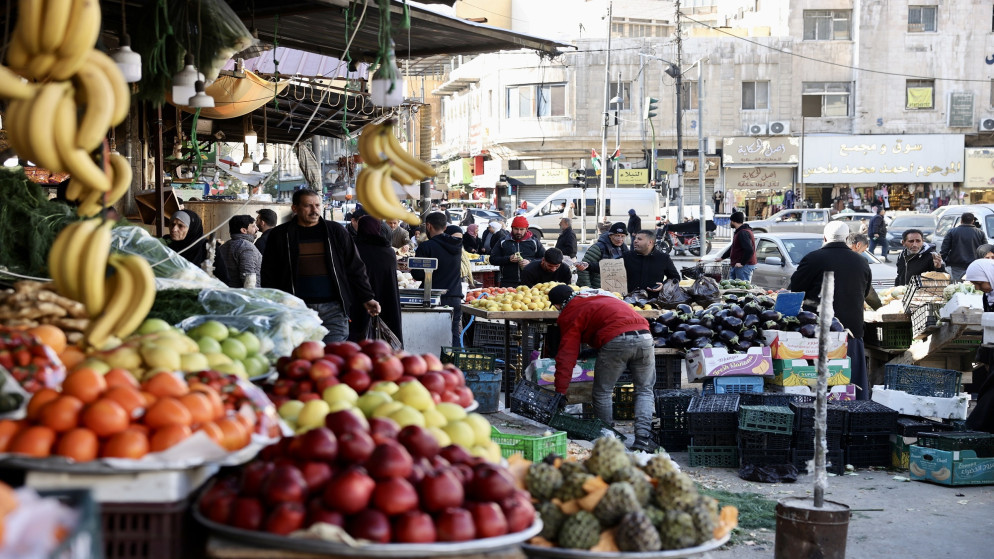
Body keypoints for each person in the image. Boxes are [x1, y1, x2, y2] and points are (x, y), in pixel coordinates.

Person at [261, 189, 381, 343]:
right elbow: (269, 273)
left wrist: (367, 297)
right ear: (295, 208)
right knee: (300, 357)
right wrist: (273, 305)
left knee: (333, 357)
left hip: (334, 310)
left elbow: (355, 267)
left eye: (317, 205)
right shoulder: (280, 235)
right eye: (308, 206)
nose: (314, 210)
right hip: (296, 310)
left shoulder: (336, 232)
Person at [548, 285, 657, 452]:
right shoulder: (600, 297)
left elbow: (566, 356)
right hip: (644, 335)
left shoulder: (569, 312)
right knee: (644, 390)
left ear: (557, 305)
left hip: (616, 340)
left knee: (603, 391)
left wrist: (560, 391)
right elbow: (612, 319)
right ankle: (643, 440)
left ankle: (609, 438)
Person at [788, 221, 872, 400]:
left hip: (816, 332)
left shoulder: (813, 258)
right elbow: (864, 293)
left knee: (817, 384)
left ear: (824, 238)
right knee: (849, 383)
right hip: (851, 331)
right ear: (846, 238)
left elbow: (795, 291)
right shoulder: (861, 261)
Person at [410, 212, 465, 345]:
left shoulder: (426, 246)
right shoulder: (457, 245)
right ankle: (454, 364)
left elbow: (417, 275)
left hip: (432, 298)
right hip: (454, 296)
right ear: (445, 227)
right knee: (453, 336)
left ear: (428, 226)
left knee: (429, 337)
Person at [349, 216, 403, 344]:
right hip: (385, 302)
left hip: (357, 301)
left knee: (356, 342)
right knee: (383, 344)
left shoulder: (352, 249)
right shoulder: (388, 252)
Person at [490, 216, 546, 288]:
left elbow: (544, 259)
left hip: (530, 281)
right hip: (508, 282)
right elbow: (492, 259)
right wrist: (508, 259)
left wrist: (530, 262)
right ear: (512, 228)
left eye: (521, 229)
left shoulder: (534, 242)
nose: (519, 232)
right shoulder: (503, 241)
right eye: (516, 229)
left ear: (526, 229)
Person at [622, 229, 680, 294]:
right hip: (629, 299)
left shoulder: (663, 258)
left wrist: (664, 285)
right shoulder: (626, 256)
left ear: (650, 242)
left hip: (653, 300)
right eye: (635, 238)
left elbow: (675, 278)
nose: (635, 241)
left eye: (639, 239)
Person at [577, 222, 628, 288]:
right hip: (597, 289)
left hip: (616, 289)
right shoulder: (598, 248)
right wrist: (588, 289)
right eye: (617, 236)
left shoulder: (624, 249)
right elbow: (582, 268)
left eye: (622, 236)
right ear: (610, 235)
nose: (620, 239)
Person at [217, 215, 262, 288]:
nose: (257, 228)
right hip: (243, 296)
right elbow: (249, 280)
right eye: (253, 226)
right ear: (244, 230)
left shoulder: (223, 247)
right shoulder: (247, 247)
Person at [941, 212, 988, 282]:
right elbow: (985, 250)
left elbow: (944, 249)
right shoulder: (980, 233)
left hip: (957, 265)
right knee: (973, 286)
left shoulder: (952, 232)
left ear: (961, 220)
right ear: (973, 221)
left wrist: (943, 261)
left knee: (958, 286)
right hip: (975, 265)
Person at [726, 211, 756, 281]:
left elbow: (749, 250)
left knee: (741, 288)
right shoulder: (740, 231)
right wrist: (722, 257)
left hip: (743, 266)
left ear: (733, 221)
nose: (730, 223)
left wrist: (742, 263)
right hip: (738, 265)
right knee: (734, 287)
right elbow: (733, 248)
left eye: (731, 221)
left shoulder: (742, 233)